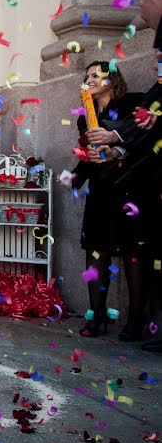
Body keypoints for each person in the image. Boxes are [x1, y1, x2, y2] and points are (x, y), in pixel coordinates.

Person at [60, 61, 147, 339]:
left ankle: (135, 321)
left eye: (96, 75)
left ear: (112, 79)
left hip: (130, 187)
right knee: (96, 250)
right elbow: (89, 158)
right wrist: (75, 177)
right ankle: (96, 317)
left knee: (134, 253)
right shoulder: (85, 117)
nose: (90, 80)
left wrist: (117, 148)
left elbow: (144, 138)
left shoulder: (132, 102)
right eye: (87, 77)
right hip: (100, 189)